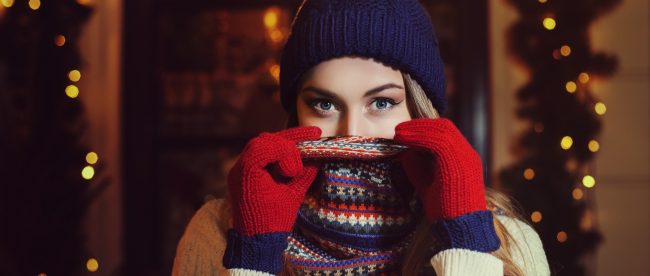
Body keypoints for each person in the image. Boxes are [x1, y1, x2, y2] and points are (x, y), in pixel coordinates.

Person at [172, 0, 550, 275]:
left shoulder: (512, 242)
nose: (352, 131)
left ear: (420, 108)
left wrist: (466, 241)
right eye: (324, 103)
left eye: (382, 102)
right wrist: (254, 257)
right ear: (295, 111)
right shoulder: (215, 232)